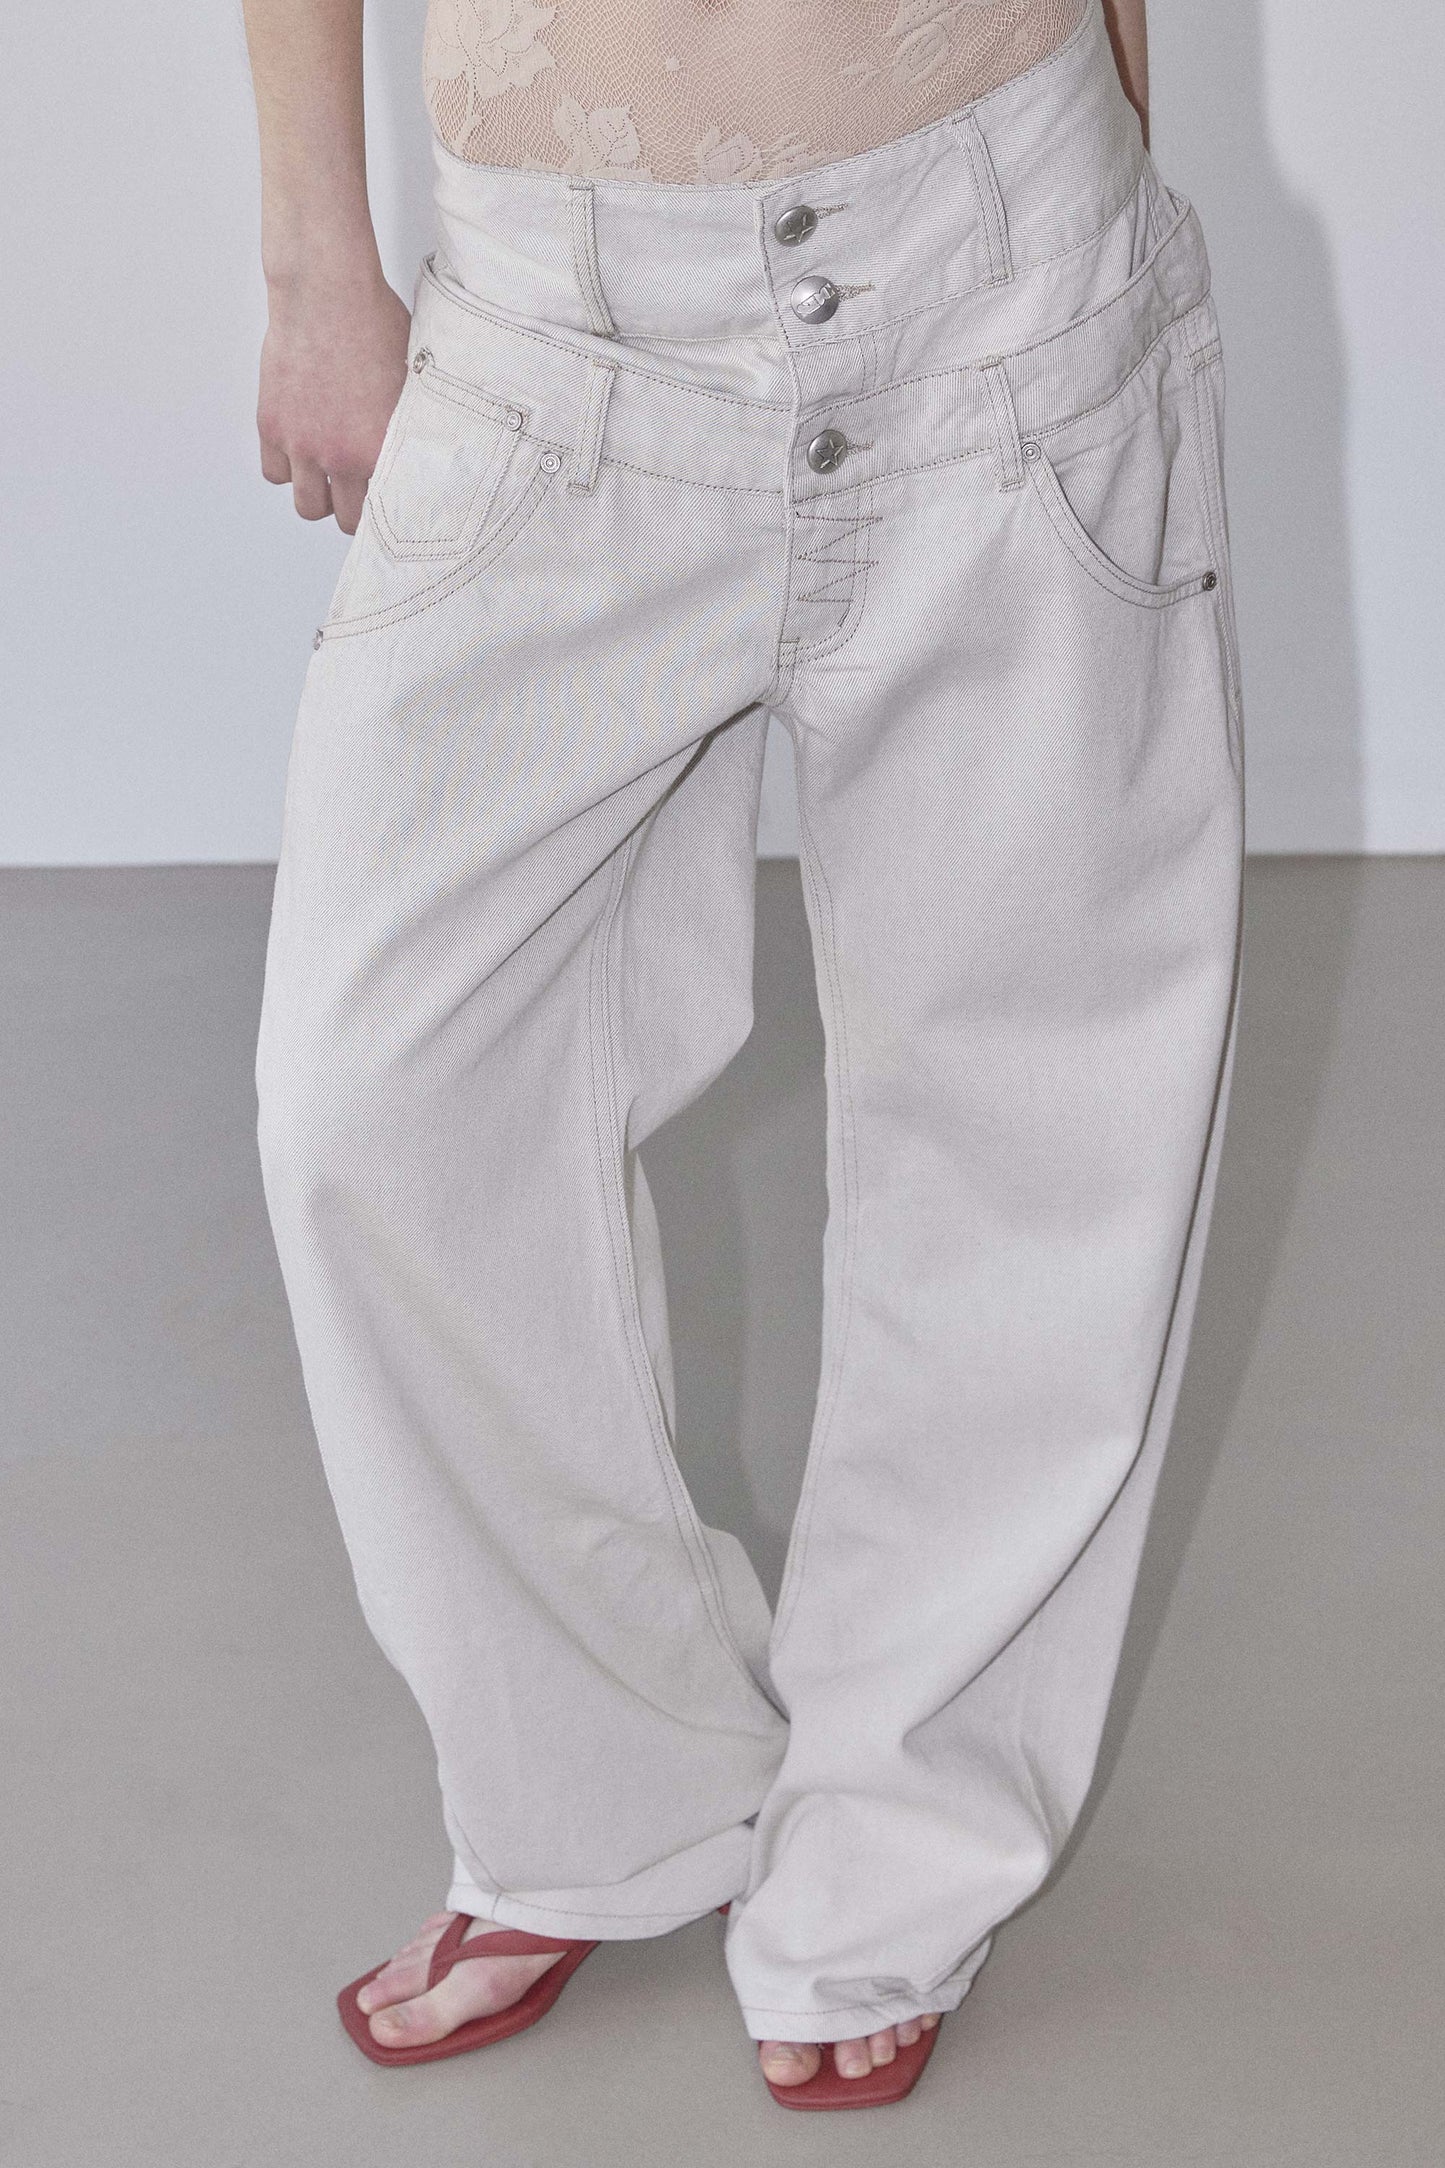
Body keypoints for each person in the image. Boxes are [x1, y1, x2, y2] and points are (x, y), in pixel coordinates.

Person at [246, 0, 1243, 2110]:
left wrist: (1105, 195)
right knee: (379, 1103)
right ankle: (597, 1790)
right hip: (552, 323)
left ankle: (897, 1854)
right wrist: (316, 264)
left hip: (1000, 252)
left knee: (1029, 1129)